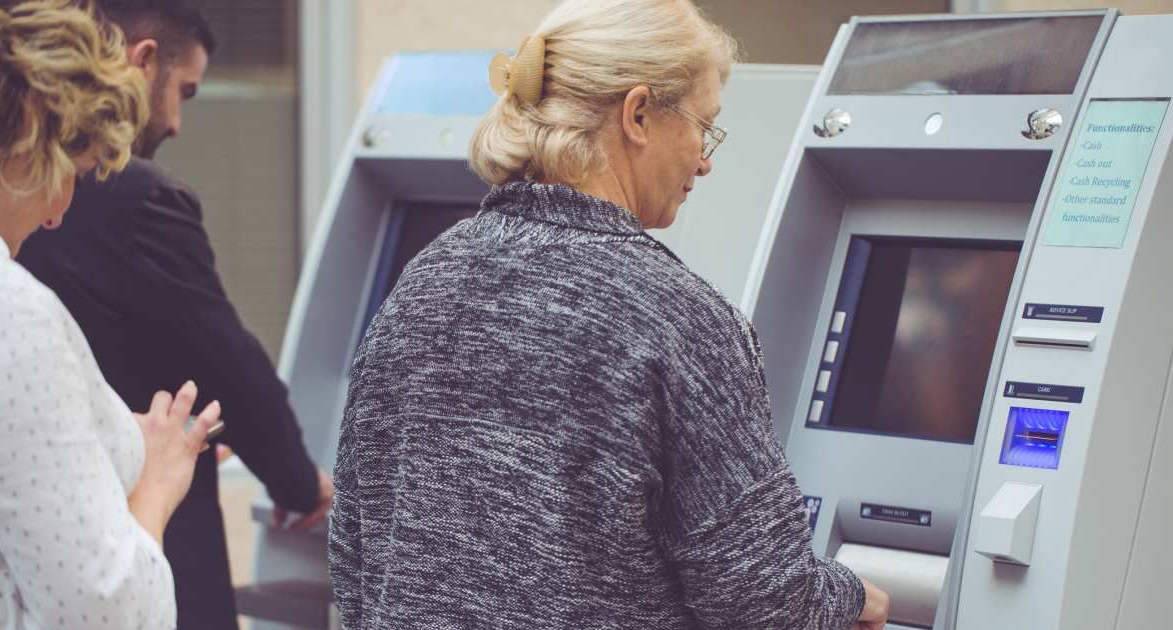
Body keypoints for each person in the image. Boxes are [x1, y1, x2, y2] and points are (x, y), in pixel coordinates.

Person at [328, 0, 892, 628]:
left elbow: (357, 547)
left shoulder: (424, 281)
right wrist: (854, 598)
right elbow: (763, 598)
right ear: (639, 113)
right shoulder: (675, 317)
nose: (705, 159)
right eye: (704, 127)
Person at [15, 1, 333, 628]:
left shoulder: (29, 192)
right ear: (144, 60)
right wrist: (300, 487)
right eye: (184, 92)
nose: (180, 121)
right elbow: (226, 364)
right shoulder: (140, 197)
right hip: (144, 538)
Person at [0, 1, 221, 628]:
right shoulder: (3, 307)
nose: (58, 210)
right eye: (70, 172)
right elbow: (104, 611)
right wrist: (158, 483)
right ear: (28, 134)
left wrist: (107, 438)